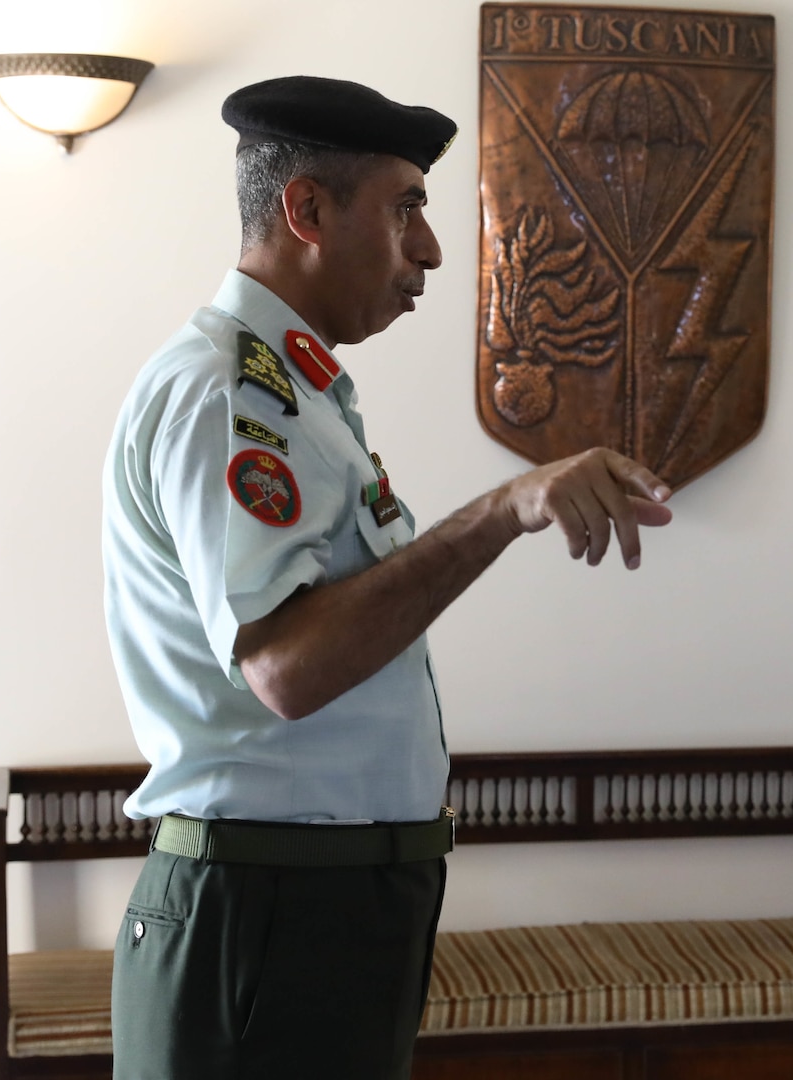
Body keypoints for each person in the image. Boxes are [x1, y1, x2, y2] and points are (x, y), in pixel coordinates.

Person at [101, 75, 672, 1080]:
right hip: (267, 913)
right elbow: (285, 665)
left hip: (316, 906)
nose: (432, 248)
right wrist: (506, 508)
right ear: (307, 209)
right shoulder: (230, 391)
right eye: (406, 206)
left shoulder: (297, 394)